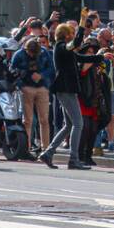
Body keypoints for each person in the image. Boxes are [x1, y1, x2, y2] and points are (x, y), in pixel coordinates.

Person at [41, 21, 108, 170]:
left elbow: (81, 58)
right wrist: (82, 25)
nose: (73, 35)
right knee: (78, 123)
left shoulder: (65, 49)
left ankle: (48, 153)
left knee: (69, 125)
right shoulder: (61, 47)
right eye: (71, 33)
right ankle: (73, 159)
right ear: (65, 35)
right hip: (66, 89)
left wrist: (100, 57)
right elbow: (76, 43)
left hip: (66, 89)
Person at [11, 36, 55, 154]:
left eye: (35, 53)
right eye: (30, 53)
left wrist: (41, 75)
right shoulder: (19, 55)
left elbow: (51, 69)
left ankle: (46, 149)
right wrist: (22, 85)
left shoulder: (44, 53)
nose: (32, 55)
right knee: (28, 120)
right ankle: (26, 148)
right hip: (26, 88)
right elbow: (12, 71)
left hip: (42, 88)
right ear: (26, 49)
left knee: (44, 119)